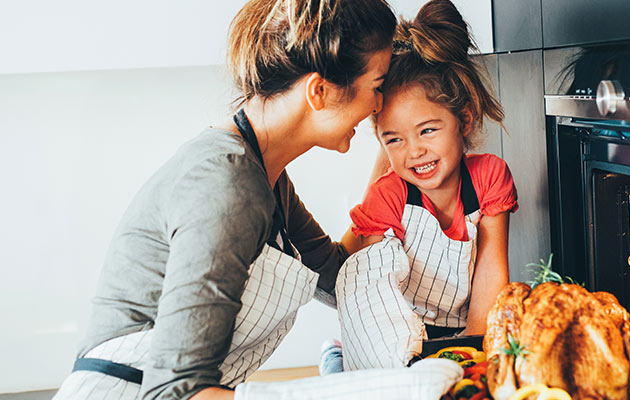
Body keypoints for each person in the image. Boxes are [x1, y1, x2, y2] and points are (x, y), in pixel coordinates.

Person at [51, 1, 464, 399]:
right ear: (319, 91)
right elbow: (176, 392)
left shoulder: (265, 176)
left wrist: (403, 172)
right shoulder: (227, 185)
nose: (378, 107)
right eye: (376, 87)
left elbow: (342, 276)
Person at [329, 0, 517, 371]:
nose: (414, 152)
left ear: (464, 120)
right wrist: (409, 366)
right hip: (394, 341)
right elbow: (374, 294)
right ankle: (334, 356)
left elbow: (491, 272)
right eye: (394, 139)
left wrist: (474, 350)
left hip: (458, 334)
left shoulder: (489, 178)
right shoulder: (389, 195)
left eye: (427, 130)